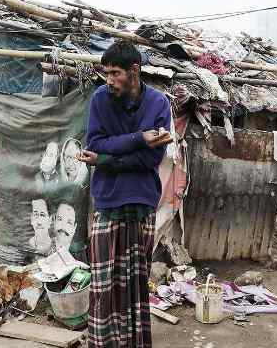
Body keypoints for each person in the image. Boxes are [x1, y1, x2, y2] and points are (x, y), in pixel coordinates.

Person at [77, 40, 172, 348]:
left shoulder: (159, 104)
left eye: (115, 73)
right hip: (108, 204)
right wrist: (139, 138)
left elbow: (151, 160)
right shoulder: (99, 100)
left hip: (142, 204)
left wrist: (106, 161)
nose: (109, 80)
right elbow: (95, 144)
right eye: (106, 73)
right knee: (103, 287)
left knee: (135, 288)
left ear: (134, 71)